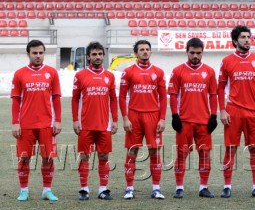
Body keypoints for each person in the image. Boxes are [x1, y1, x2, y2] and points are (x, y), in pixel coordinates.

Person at [218, 25, 255, 198]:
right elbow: (220, 87)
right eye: (243, 37)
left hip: (253, 111)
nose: (247, 40)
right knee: (230, 149)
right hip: (233, 111)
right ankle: (227, 186)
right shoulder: (226, 61)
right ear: (235, 41)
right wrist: (222, 110)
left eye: (249, 37)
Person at [11, 39, 62, 202]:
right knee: (24, 158)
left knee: (48, 157)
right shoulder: (19, 74)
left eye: (41, 53)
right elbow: (16, 100)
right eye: (35, 53)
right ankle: (24, 190)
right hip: (25, 124)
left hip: (47, 123)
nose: (38, 56)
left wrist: (58, 120)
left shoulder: (52, 73)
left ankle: (47, 190)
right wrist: (15, 122)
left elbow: (56, 98)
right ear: (28, 54)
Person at [169, 38, 218, 199]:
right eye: (192, 53)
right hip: (184, 121)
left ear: (202, 52)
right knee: (182, 154)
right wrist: (175, 116)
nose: (195, 56)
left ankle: (203, 187)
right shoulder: (177, 71)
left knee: (204, 154)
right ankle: (179, 187)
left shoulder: (209, 71)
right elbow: (173, 95)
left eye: (198, 53)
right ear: (187, 52)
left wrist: (214, 116)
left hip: (203, 122)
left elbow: (213, 95)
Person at [119, 40, 167, 199]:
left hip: (153, 116)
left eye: (147, 49)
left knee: (154, 151)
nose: (145, 52)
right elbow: (121, 96)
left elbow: (163, 98)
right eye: (141, 50)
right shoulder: (128, 72)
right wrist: (125, 118)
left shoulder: (158, 72)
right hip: (134, 116)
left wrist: (162, 119)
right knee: (132, 151)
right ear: (136, 53)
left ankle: (156, 188)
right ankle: (129, 188)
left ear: (151, 52)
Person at [72, 42, 118, 201]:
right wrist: (75, 120)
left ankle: (103, 189)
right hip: (85, 124)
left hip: (104, 124)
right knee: (84, 156)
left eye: (100, 54)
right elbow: (75, 99)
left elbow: (113, 99)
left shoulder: (110, 76)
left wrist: (115, 120)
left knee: (103, 156)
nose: (97, 57)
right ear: (88, 56)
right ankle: (84, 189)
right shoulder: (80, 75)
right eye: (94, 54)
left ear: (103, 56)